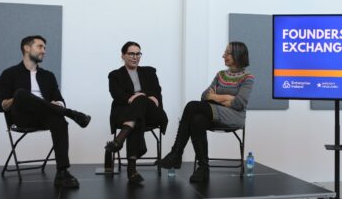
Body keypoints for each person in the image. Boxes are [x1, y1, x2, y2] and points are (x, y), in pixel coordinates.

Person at [0, 35, 91, 188]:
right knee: (20, 93)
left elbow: (59, 100)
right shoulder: (9, 74)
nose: (44, 51)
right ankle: (72, 114)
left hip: (45, 116)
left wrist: (57, 103)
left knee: (59, 120)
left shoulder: (48, 76)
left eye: (45, 48)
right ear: (27, 48)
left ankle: (62, 172)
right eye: (40, 46)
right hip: (22, 117)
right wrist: (17, 99)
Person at [155, 41, 254, 182]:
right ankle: (203, 167)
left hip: (234, 116)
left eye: (227, 53)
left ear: (237, 55)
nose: (223, 55)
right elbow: (204, 96)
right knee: (197, 120)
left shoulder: (248, 78)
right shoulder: (220, 75)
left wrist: (214, 97)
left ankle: (176, 154)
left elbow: (238, 103)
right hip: (215, 113)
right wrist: (226, 98)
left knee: (191, 106)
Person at [105, 41, 168, 183]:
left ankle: (120, 140)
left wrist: (138, 97)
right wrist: (135, 97)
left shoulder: (149, 72)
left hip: (152, 113)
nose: (135, 57)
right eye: (131, 54)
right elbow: (117, 95)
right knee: (136, 120)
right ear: (123, 56)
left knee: (140, 100)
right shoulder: (115, 75)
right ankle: (132, 171)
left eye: (138, 53)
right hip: (125, 113)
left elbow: (156, 94)